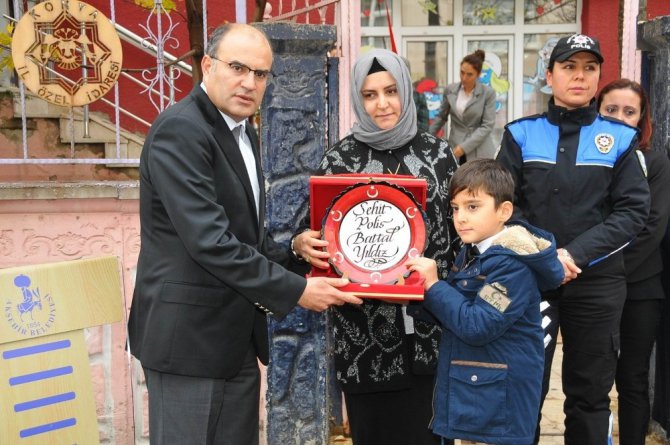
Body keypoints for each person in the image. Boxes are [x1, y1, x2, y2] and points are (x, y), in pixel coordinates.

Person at [127, 23, 362, 445]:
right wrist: (297, 291)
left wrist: (293, 249)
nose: (249, 82)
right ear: (207, 66)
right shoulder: (180, 130)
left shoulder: (241, 131)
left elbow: (240, 237)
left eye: (260, 74)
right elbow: (210, 242)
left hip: (232, 340)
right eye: (237, 68)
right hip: (188, 344)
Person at [290, 48, 459, 445]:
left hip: (430, 335)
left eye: (391, 91)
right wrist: (302, 244)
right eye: (369, 95)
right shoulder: (339, 161)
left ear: (406, 91)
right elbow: (311, 231)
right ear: (358, 99)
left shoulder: (438, 156)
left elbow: (460, 238)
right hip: (362, 340)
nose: (382, 103)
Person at [496, 34, 650, 445]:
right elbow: (503, 208)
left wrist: (573, 255)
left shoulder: (619, 138)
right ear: (549, 76)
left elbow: (632, 212)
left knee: (590, 395)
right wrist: (545, 256)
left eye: (589, 68)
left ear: (598, 75)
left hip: (597, 285)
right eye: (569, 67)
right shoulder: (520, 135)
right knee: (523, 389)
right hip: (531, 282)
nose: (579, 76)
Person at [407, 159, 564, 445]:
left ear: (504, 211)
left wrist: (434, 285)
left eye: (473, 207)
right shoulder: (473, 251)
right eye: (455, 208)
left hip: (497, 406)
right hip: (478, 393)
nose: (461, 218)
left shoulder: (512, 265)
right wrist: (410, 292)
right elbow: (455, 312)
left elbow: (478, 324)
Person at [598, 79, 670, 445]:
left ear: (642, 119)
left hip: (639, 286)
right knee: (592, 380)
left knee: (633, 379)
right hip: (592, 287)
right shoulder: (588, 159)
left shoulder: (655, 162)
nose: (620, 119)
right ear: (597, 111)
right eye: (611, 110)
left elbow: (651, 227)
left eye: (630, 112)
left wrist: (602, 267)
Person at [429, 49, 497, 162]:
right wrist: (427, 137)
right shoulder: (450, 90)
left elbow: (487, 126)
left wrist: (464, 147)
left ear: (478, 74)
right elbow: (441, 117)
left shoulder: (488, 93)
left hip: (479, 149)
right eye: (462, 72)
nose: (464, 78)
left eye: (469, 74)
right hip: (455, 147)